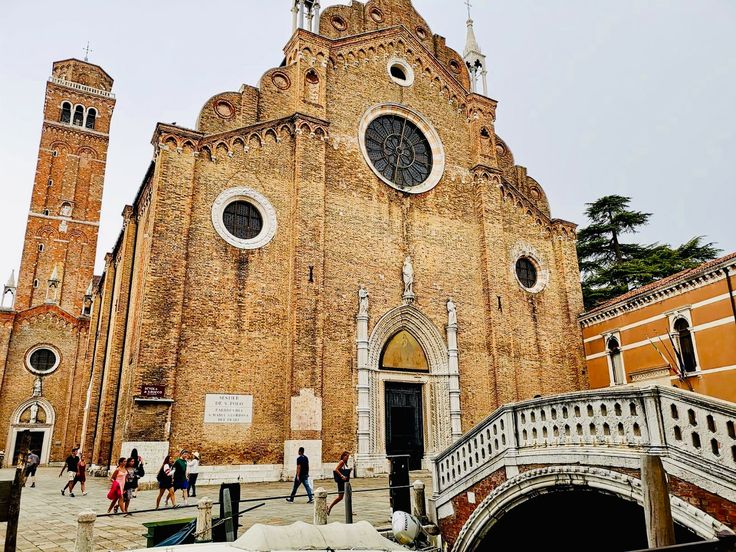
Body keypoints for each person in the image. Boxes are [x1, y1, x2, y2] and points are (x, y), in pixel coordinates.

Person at [327, 451, 352, 516]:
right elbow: (336, 469)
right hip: (341, 482)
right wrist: (342, 476)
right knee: (340, 497)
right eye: (347, 456)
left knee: (347, 495)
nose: (347, 458)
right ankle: (329, 506)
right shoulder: (342, 462)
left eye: (348, 457)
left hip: (345, 482)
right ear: (343, 456)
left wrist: (349, 470)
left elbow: (344, 471)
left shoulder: (345, 463)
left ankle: (350, 511)